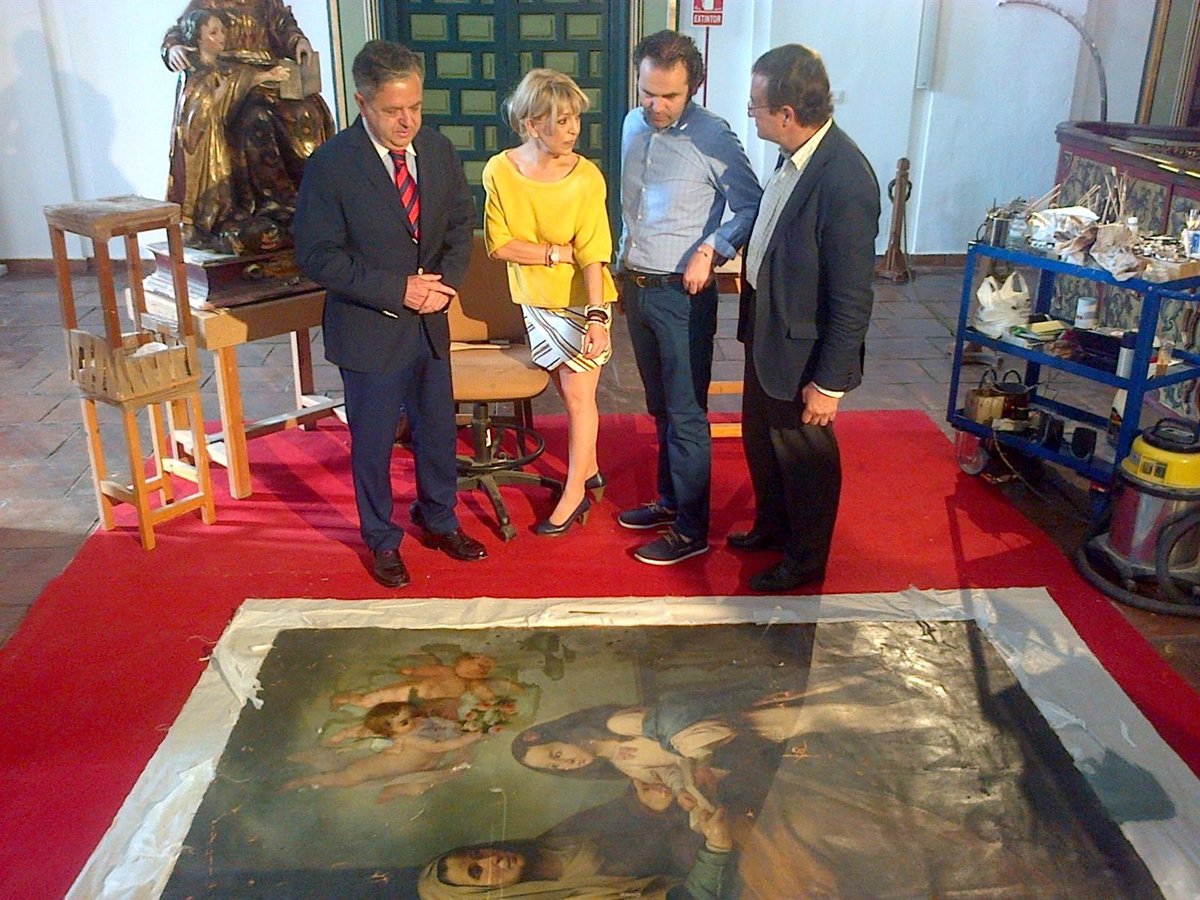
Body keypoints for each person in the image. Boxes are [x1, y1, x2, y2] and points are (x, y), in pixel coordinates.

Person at [293, 40, 486, 588]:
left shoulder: (438, 150)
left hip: (430, 324)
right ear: (362, 102)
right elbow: (317, 255)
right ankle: (381, 539)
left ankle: (440, 519)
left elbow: (459, 225)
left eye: (416, 107)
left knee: (437, 432)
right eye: (393, 110)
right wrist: (398, 289)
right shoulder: (332, 164)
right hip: (368, 328)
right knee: (374, 444)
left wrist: (445, 286)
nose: (407, 122)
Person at [735, 44, 880, 592]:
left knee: (805, 459)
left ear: (786, 113)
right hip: (768, 331)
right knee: (762, 441)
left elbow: (852, 297)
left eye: (755, 106)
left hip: (803, 353)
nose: (752, 115)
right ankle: (773, 527)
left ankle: (805, 559)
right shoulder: (794, 154)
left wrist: (829, 384)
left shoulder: (845, 179)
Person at [616, 30, 762, 566]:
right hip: (637, 285)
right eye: (647, 92)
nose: (655, 106)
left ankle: (692, 529)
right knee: (659, 407)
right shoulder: (632, 124)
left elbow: (751, 205)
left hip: (683, 293)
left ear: (693, 88)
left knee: (686, 412)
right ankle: (670, 499)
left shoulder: (713, 136)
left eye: (669, 96)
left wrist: (712, 249)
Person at [482, 69, 617, 535]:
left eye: (575, 118)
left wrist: (597, 317)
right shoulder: (499, 171)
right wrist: (555, 253)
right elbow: (498, 244)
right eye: (561, 120)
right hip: (535, 301)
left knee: (579, 399)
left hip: (582, 301)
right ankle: (591, 468)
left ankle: (574, 493)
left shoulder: (586, 177)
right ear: (531, 123)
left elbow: (594, 252)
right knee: (567, 391)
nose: (573, 129)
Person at [163, 0, 335, 252]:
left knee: (308, 112)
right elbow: (184, 28)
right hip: (232, 78)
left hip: (271, 72)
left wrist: (298, 42)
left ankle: (308, 200)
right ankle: (268, 204)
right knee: (257, 119)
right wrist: (173, 47)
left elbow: (282, 23)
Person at [415, 800, 735, 898]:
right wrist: (717, 849)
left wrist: (648, 798)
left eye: (476, 853)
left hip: (719, 838)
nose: (490, 858)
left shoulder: (557, 839)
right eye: (477, 872)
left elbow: (632, 810)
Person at [165, 10, 290, 252]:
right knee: (202, 183)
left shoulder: (218, 67)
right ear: (197, 39)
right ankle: (194, 225)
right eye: (214, 32)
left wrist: (268, 74)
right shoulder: (197, 70)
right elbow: (193, 111)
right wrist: (218, 95)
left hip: (215, 137)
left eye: (222, 30)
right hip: (198, 145)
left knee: (222, 177)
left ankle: (227, 217)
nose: (223, 37)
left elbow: (238, 80)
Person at [280, 701, 483, 802]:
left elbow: (437, 723)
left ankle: (392, 791)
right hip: (369, 770)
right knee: (344, 779)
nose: (413, 722)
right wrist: (470, 737)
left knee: (422, 784)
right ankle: (304, 781)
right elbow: (439, 747)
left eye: (410, 716)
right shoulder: (408, 738)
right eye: (404, 722)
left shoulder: (417, 724)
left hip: (413, 769)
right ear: (391, 732)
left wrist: (459, 725)